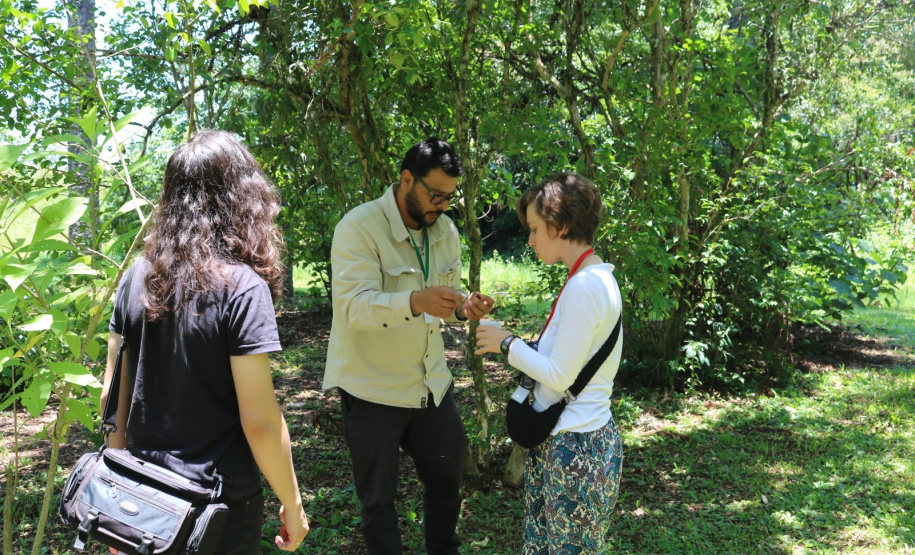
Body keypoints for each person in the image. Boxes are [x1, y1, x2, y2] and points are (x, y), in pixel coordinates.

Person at [100, 129, 309, 553]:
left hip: (144, 495)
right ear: (246, 197)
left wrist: (113, 498)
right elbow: (261, 423)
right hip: (216, 505)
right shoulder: (243, 287)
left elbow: (112, 399)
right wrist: (293, 503)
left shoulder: (135, 278)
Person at [323, 137, 494, 555]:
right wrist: (415, 301)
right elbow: (353, 308)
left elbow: (445, 304)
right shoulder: (359, 227)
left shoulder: (446, 231)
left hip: (430, 385)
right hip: (372, 388)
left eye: (449, 198)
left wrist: (463, 308)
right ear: (405, 180)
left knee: (446, 486)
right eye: (434, 194)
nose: (441, 205)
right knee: (378, 503)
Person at [475, 173, 624, 554]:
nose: (530, 239)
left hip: (576, 448)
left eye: (536, 228)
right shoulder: (595, 278)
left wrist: (506, 343)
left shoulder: (585, 286)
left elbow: (560, 375)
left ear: (560, 227)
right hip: (568, 441)